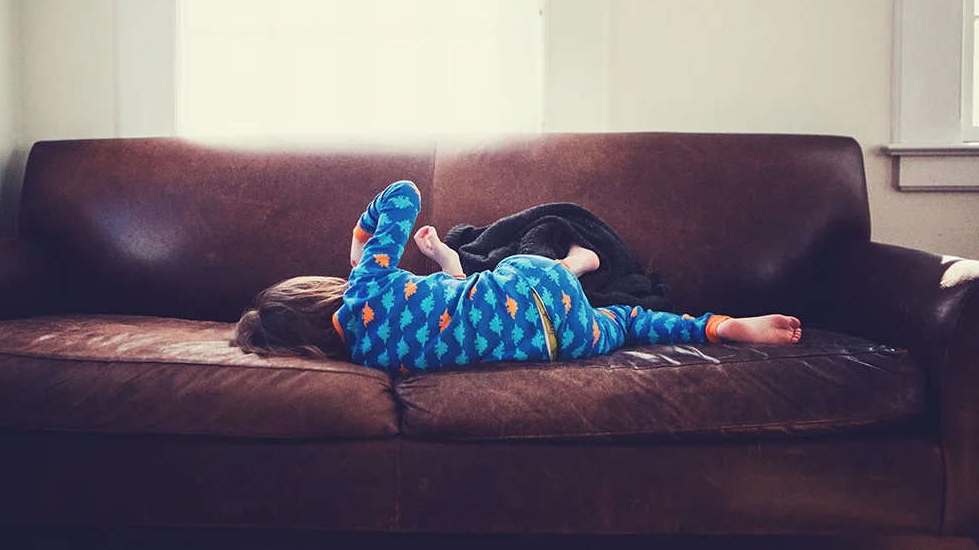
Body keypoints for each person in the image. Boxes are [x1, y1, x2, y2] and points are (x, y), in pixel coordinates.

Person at [233, 181, 802, 373]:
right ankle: (576, 264)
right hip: (529, 285)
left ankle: (719, 328)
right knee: (510, 265)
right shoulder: (364, 287)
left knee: (629, 323)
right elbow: (403, 194)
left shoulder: (366, 359)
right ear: (318, 291)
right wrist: (360, 245)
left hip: (560, 342)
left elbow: (444, 317)